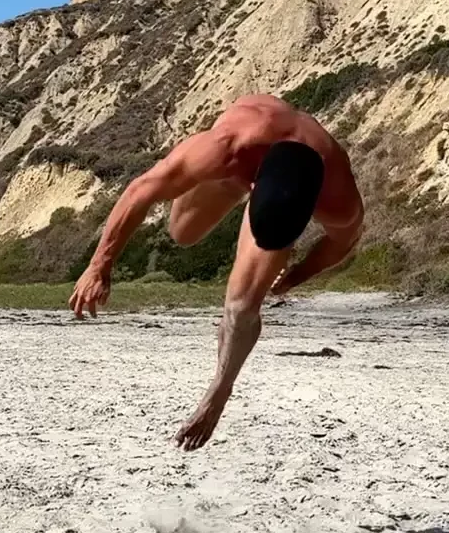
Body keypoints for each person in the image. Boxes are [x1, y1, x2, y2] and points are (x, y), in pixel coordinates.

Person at [69, 93, 364, 449]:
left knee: (240, 307)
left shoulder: (340, 201)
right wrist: (99, 265)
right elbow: (140, 191)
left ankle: (219, 391)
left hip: (290, 182)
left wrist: (296, 275)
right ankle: (248, 207)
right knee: (182, 231)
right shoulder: (226, 147)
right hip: (238, 165)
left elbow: (338, 245)